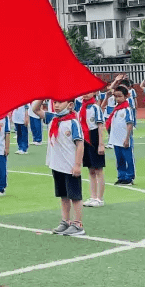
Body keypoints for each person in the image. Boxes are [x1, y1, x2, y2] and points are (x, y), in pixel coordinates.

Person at [31, 99, 86, 237]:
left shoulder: (73, 122)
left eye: (60, 102)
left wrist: (77, 164)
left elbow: (80, 144)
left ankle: (78, 224)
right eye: (55, 102)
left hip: (70, 165)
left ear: (70, 105)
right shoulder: (52, 118)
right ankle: (65, 221)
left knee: (75, 195)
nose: (56, 105)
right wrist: (42, 97)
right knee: (63, 195)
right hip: (57, 164)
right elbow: (35, 110)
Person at [77, 92, 106, 207]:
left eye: (88, 92)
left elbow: (100, 125)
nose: (85, 95)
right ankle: (93, 197)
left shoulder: (95, 107)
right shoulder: (81, 107)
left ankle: (100, 198)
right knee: (91, 170)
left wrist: (101, 144)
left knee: (98, 169)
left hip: (94, 137)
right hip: (85, 138)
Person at [105, 84, 135, 187]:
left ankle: (129, 177)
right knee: (119, 159)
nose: (117, 98)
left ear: (126, 96)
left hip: (124, 138)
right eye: (116, 96)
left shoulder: (127, 109)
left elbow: (130, 123)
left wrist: (127, 138)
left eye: (120, 96)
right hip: (116, 139)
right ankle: (121, 176)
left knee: (128, 158)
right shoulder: (116, 109)